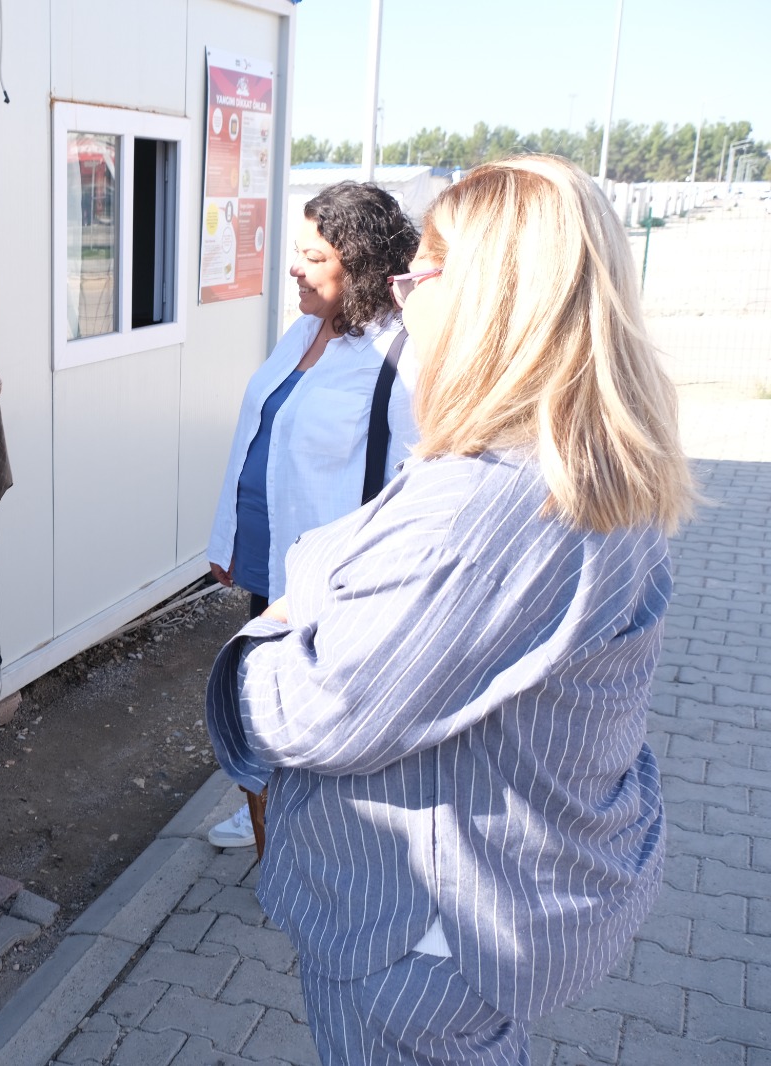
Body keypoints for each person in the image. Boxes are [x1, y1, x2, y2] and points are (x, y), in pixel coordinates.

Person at [204, 154, 694, 1064]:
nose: (405, 294)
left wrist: (288, 608)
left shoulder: (487, 506)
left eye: (421, 274)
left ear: (491, 300)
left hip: (421, 932)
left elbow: (307, 707)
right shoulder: (579, 464)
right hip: (502, 901)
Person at [204, 182, 421, 851]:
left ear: (356, 264)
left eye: (312, 256)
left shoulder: (399, 354)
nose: (293, 267)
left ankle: (312, 829)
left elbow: (411, 481)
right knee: (265, 694)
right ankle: (269, 803)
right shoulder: (302, 330)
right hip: (272, 558)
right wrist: (227, 537)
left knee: (314, 705)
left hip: (333, 575)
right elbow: (255, 433)